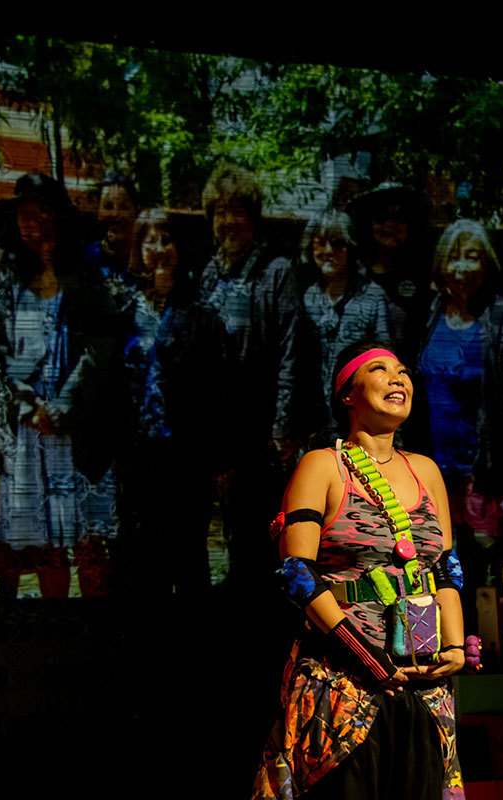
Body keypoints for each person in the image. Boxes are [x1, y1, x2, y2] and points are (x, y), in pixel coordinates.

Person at [252, 341, 468, 800]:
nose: (398, 378)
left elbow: (445, 569)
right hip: (346, 683)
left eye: (404, 371)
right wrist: (366, 656)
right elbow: (296, 573)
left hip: (424, 683)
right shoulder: (322, 465)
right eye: (380, 369)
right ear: (347, 394)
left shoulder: (426, 470)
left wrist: (455, 646)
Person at [0, 174, 119, 598]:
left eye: (40, 214)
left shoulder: (87, 279)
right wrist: (27, 407)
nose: (31, 224)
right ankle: (57, 629)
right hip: (31, 436)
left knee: (89, 543)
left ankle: (97, 633)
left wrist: (61, 408)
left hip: (77, 435)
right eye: (23, 215)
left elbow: (100, 350)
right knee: (46, 546)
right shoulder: (7, 283)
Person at [410, 219, 503, 598]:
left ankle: (494, 651)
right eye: (454, 257)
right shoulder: (429, 313)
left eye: (472, 256)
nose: (462, 266)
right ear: (441, 264)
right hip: (434, 471)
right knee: (439, 565)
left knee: (489, 566)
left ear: (487, 264)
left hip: (483, 472)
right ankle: (451, 649)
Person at [198, 163, 306, 589]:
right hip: (220, 429)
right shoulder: (209, 275)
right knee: (230, 530)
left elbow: (289, 351)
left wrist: (281, 428)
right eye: (221, 211)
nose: (229, 221)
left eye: (238, 210)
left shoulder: (276, 272)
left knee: (265, 532)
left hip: (261, 427)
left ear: (254, 216)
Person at [117, 208, 230, 595]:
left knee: (189, 555)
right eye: (150, 241)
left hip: (185, 455)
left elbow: (217, 393)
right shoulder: (123, 311)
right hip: (137, 455)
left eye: (166, 240)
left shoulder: (202, 316)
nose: (159, 249)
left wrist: (217, 459)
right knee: (143, 555)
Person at [297, 208, 406, 446]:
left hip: (359, 423)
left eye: (337, 244)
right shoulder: (308, 297)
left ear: (351, 247)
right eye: (321, 242)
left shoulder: (372, 296)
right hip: (313, 424)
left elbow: (388, 365)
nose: (328, 251)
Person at [346, 182, 433, 362]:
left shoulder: (423, 276)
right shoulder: (352, 276)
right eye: (381, 216)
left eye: (400, 217)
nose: (390, 224)